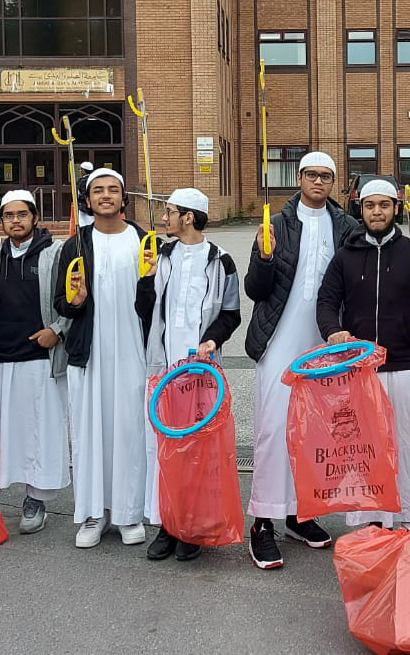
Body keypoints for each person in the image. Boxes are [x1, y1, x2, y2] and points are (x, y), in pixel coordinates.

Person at [243, 151, 359, 569]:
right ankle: (263, 522)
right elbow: (256, 290)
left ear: (333, 182)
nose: (318, 182)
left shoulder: (346, 226)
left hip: (323, 342)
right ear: (298, 177)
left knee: (315, 434)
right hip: (278, 341)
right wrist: (264, 256)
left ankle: (299, 514)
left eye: (326, 176)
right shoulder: (276, 224)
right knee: (274, 431)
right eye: (311, 175)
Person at [316, 178, 410, 530]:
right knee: (365, 451)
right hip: (361, 371)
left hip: (407, 368)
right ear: (361, 209)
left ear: (396, 209)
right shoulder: (345, 256)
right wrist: (332, 330)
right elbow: (327, 301)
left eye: (384, 205)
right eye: (370, 205)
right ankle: (373, 521)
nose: (377, 212)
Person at [138, 187, 242, 563]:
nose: (164, 219)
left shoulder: (221, 260)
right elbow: (144, 311)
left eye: (170, 212)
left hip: (202, 373)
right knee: (166, 449)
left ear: (189, 217)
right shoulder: (161, 256)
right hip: (164, 370)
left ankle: (193, 528)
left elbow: (231, 313)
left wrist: (212, 340)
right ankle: (167, 525)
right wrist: (146, 280)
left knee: (198, 450)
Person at [0, 190, 71, 535]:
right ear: (2, 220)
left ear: (35, 218)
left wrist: (57, 329)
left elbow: (74, 300)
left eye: (22, 214)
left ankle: (35, 500)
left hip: (40, 359)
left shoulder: (56, 255)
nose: (16, 221)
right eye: (9, 215)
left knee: (37, 434)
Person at [54, 168, 150, 549]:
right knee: (89, 430)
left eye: (113, 190)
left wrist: (149, 284)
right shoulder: (75, 244)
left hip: (132, 350)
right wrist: (74, 303)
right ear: (88, 200)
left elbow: (153, 302)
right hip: (89, 352)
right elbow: (60, 303)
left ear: (124, 198)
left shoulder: (143, 240)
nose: (106, 196)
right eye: (98, 191)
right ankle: (94, 514)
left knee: (129, 429)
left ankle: (128, 514)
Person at [76, 161, 96, 228]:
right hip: (93, 206)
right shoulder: (94, 179)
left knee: (84, 224)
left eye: (81, 169)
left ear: (83, 171)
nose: (80, 171)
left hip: (85, 207)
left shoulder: (84, 180)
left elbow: (84, 194)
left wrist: (80, 199)